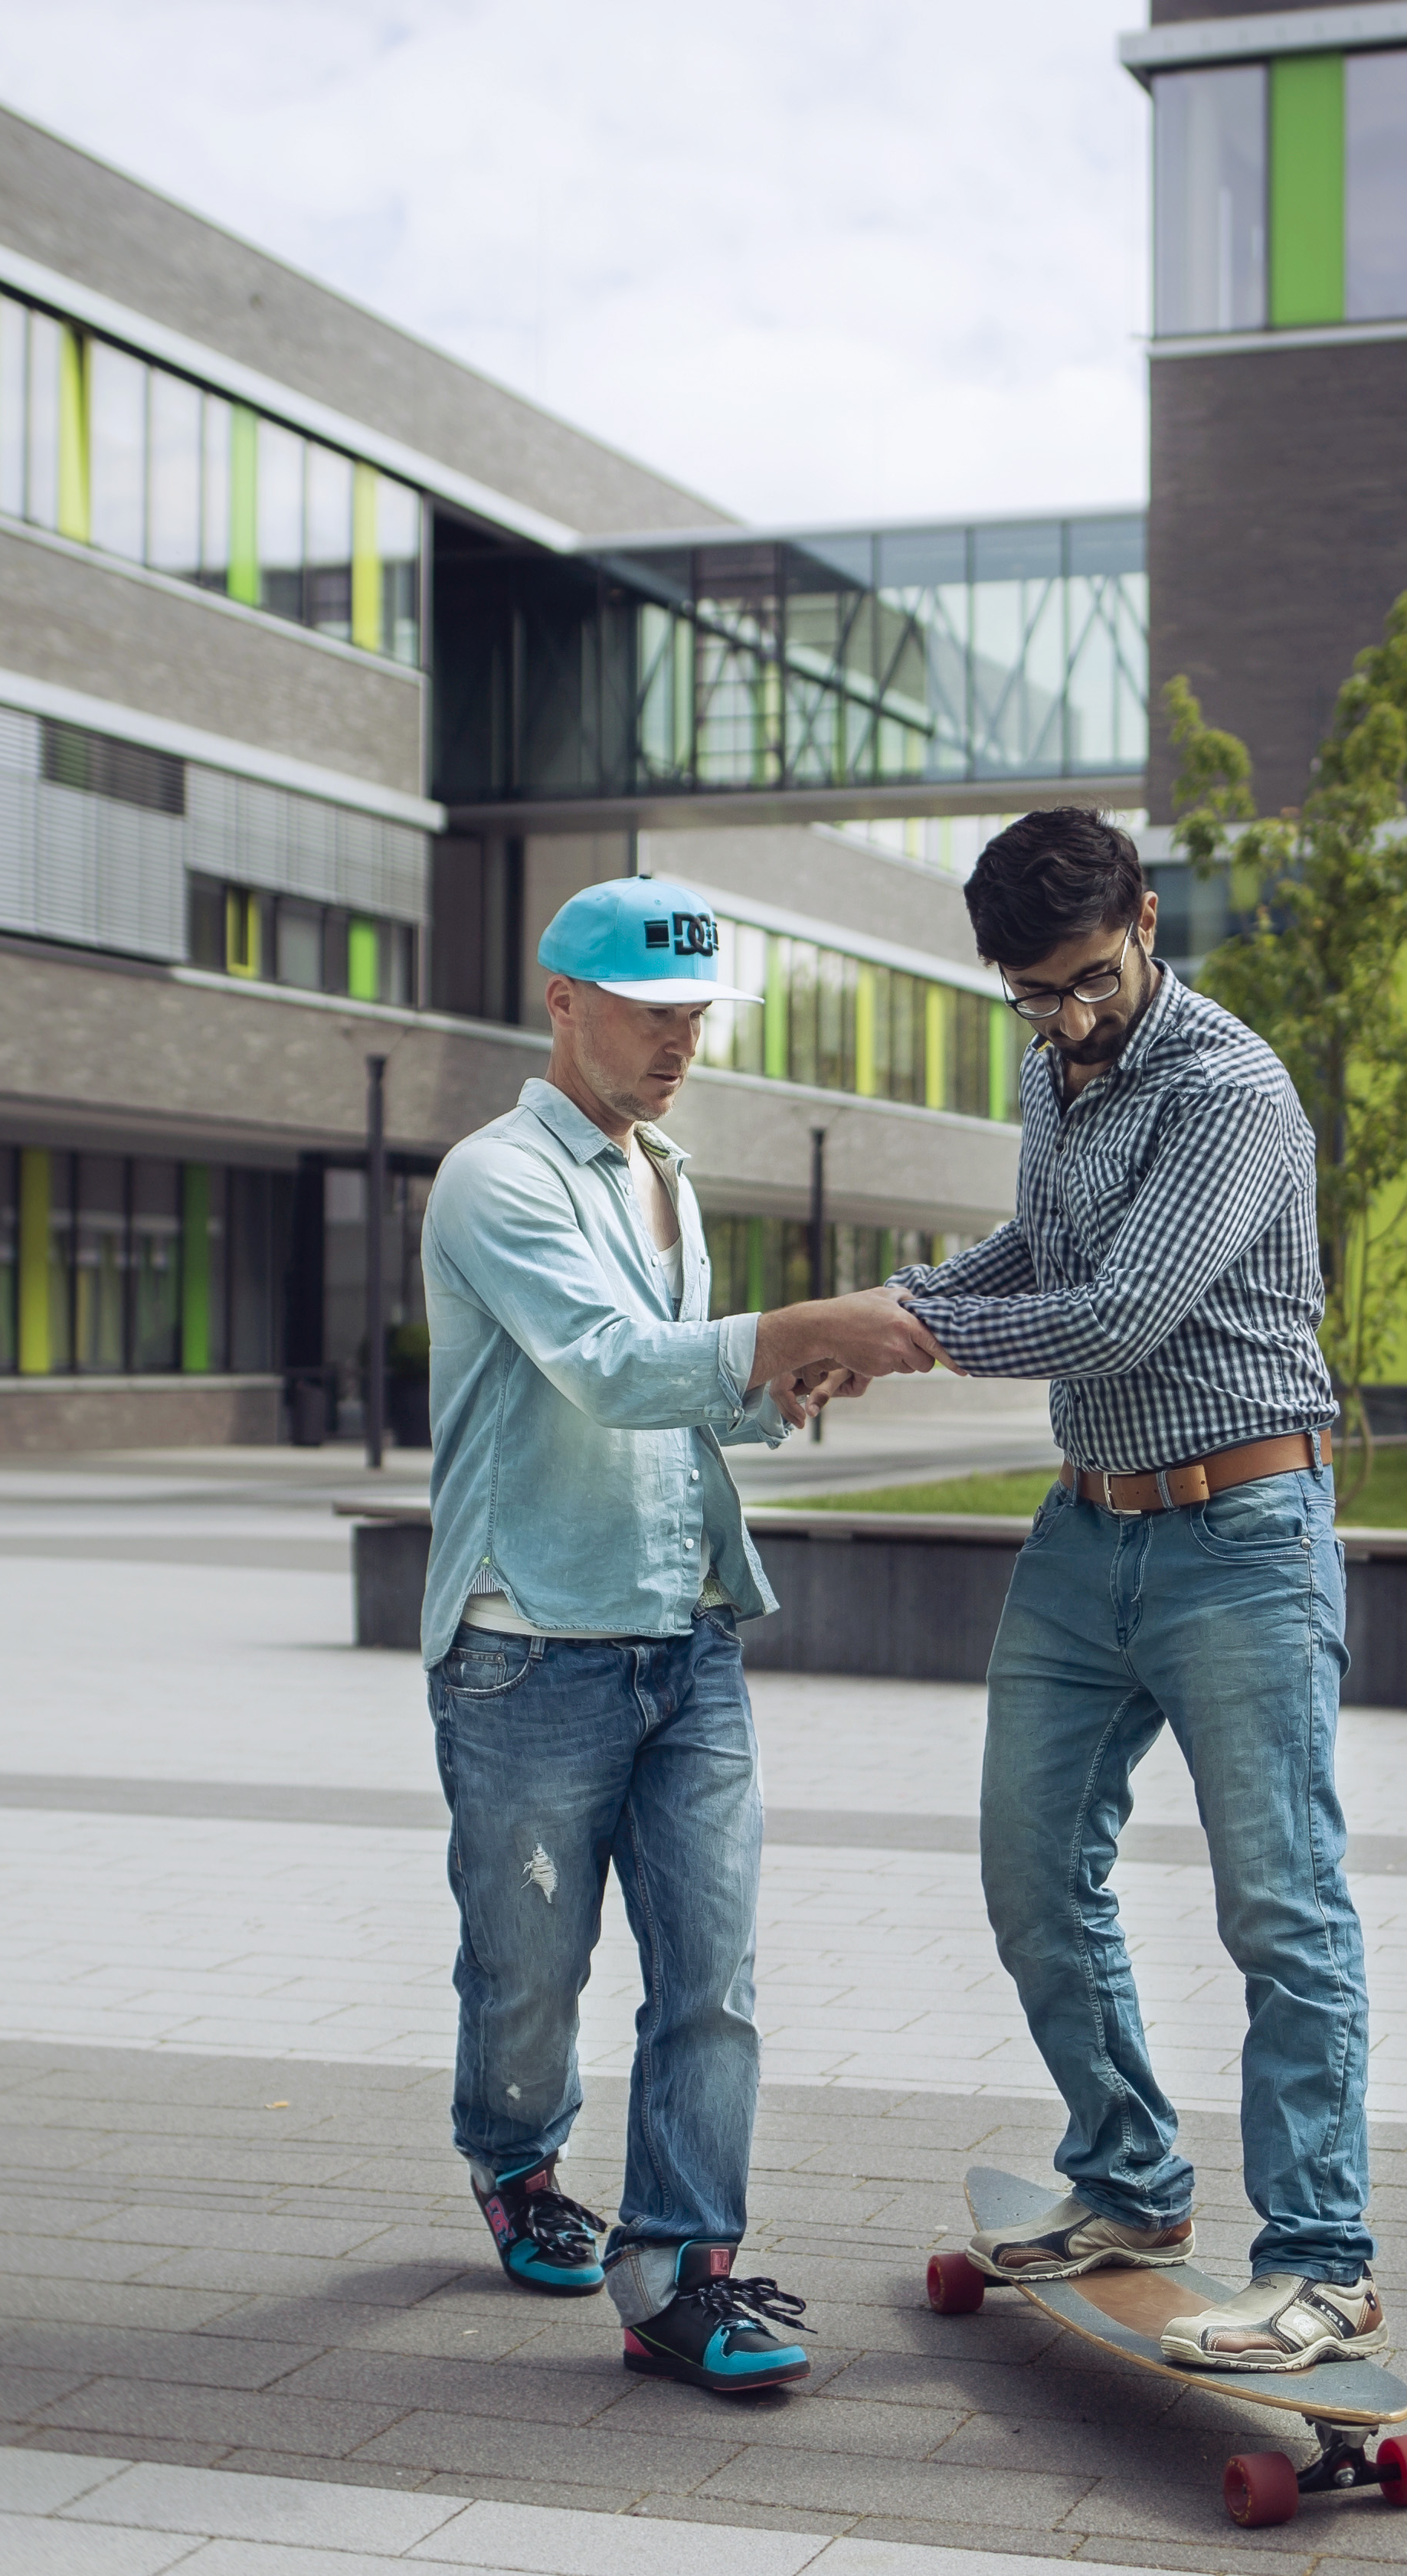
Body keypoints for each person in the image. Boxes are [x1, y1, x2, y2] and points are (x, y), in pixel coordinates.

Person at [421, 874, 945, 2397]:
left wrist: (777, 1385)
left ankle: (677, 2273)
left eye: (697, 1014)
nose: (680, 1042)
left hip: (684, 1633)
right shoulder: (494, 1180)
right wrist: (786, 1333)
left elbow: (680, 1394)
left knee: (710, 1971)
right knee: (527, 1969)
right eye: (654, 1012)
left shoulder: (665, 1174)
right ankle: (516, 2162)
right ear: (562, 1001)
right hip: (528, 1640)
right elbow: (602, 1367)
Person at [894, 808, 1390, 2375]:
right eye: (1032, 996)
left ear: (1147, 923)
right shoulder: (1051, 1070)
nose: (1066, 1021)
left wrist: (903, 1338)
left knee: (1278, 1904)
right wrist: (872, 1309)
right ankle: (1125, 2181)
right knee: (1029, 1868)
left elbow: (1111, 1316)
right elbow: (1035, 1245)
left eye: (1089, 983)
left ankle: (1320, 2262)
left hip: (1238, 1529)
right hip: (1083, 1533)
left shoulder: (1229, 1088)